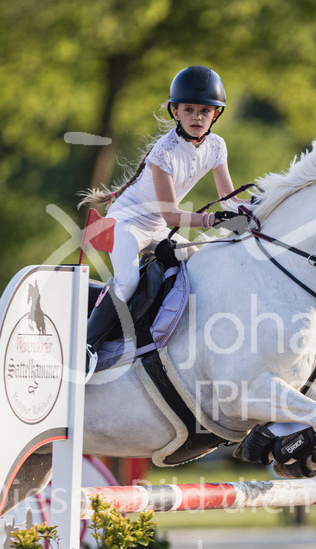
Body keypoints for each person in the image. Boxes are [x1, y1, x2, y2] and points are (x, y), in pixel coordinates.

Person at [79, 65, 243, 353]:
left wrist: (263, 206)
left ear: (216, 114)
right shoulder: (164, 152)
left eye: (204, 111)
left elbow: (229, 200)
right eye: (189, 110)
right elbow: (172, 215)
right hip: (126, 224)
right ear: (175, 112)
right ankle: (86, 346)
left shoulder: (217, 147)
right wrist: (212, 219)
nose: (197, 117)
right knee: (128, 281)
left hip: (156, 228)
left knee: (199, 265)